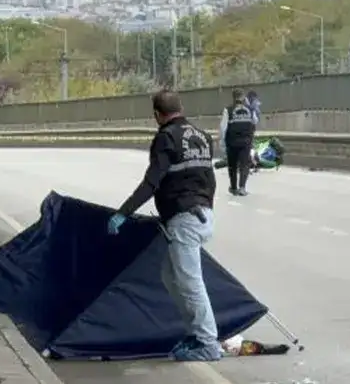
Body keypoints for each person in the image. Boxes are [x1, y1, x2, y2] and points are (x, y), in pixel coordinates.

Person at [108, 90, 221, 362]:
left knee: (190, 283)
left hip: (185, 219)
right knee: (171, 277)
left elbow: (151, 182)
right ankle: (196, 334)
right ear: (181, 108)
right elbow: (209, 178)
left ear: (157, 115)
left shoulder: (166, 138)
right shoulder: (202, 137)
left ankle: (207, 343)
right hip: (201, 214)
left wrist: (123, 213)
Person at [218, 89, 257, 196]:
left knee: (232, 165)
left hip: (232, 142)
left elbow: (223, 128)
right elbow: (255, 121)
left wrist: (222, 142)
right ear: (243, 97)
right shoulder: (250, 109)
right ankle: (242, 187)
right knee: (245, 164)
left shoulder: (228, 110)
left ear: (233, 97)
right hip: (246, 141)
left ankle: (234, 187)